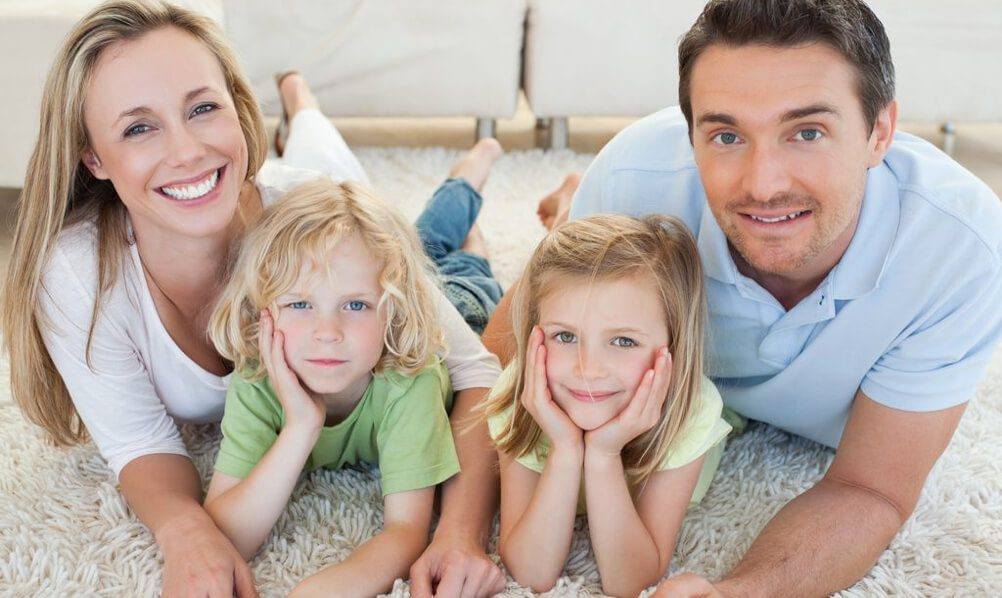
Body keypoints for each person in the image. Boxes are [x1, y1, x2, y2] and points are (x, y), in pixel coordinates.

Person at [489, 0, 1002, 595]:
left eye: (807, 133)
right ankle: (570, 208)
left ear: (879, 132)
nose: (764, 185)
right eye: (727, 135)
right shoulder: (633, 178)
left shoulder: (961, 250)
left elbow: (870, 488)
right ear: (690, 138)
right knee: (567, 243)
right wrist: (454, 534)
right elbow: (501, 362)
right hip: (624, 213)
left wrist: (735, 593)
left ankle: (568, 204)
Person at [1, 2, 505, 596]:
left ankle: (312, 109)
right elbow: (139, 444)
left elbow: (474, 369)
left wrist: (461, 534)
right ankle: (304, 102)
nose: (187, 150)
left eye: (204, 108)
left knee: (436, 250)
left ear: (240, 114)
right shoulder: (77, 274)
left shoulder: (310, 212)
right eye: (138, 127)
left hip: (330, 202)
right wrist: (187, 532)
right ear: (93, 158)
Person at [204, 178, 463, 596]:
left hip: (468, 303)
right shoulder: (257, 376)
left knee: (460, 260)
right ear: (263, 310)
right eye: (300, 304)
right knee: (434, 240)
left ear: (392, 311)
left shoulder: (410, 380)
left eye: (356, 304)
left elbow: (407, 530)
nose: (327, 332)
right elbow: (227, 534)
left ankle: (467, 182)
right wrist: (300, 428)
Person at [480, 214, 731, 597]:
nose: (588, 370)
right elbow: (530, 573)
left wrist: (602, 454)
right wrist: (565, 449)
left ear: (673, 349)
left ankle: (569, 201)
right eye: (565, 335)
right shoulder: (521, 395)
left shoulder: (691, 410)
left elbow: (631, 581)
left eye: (624, 342)